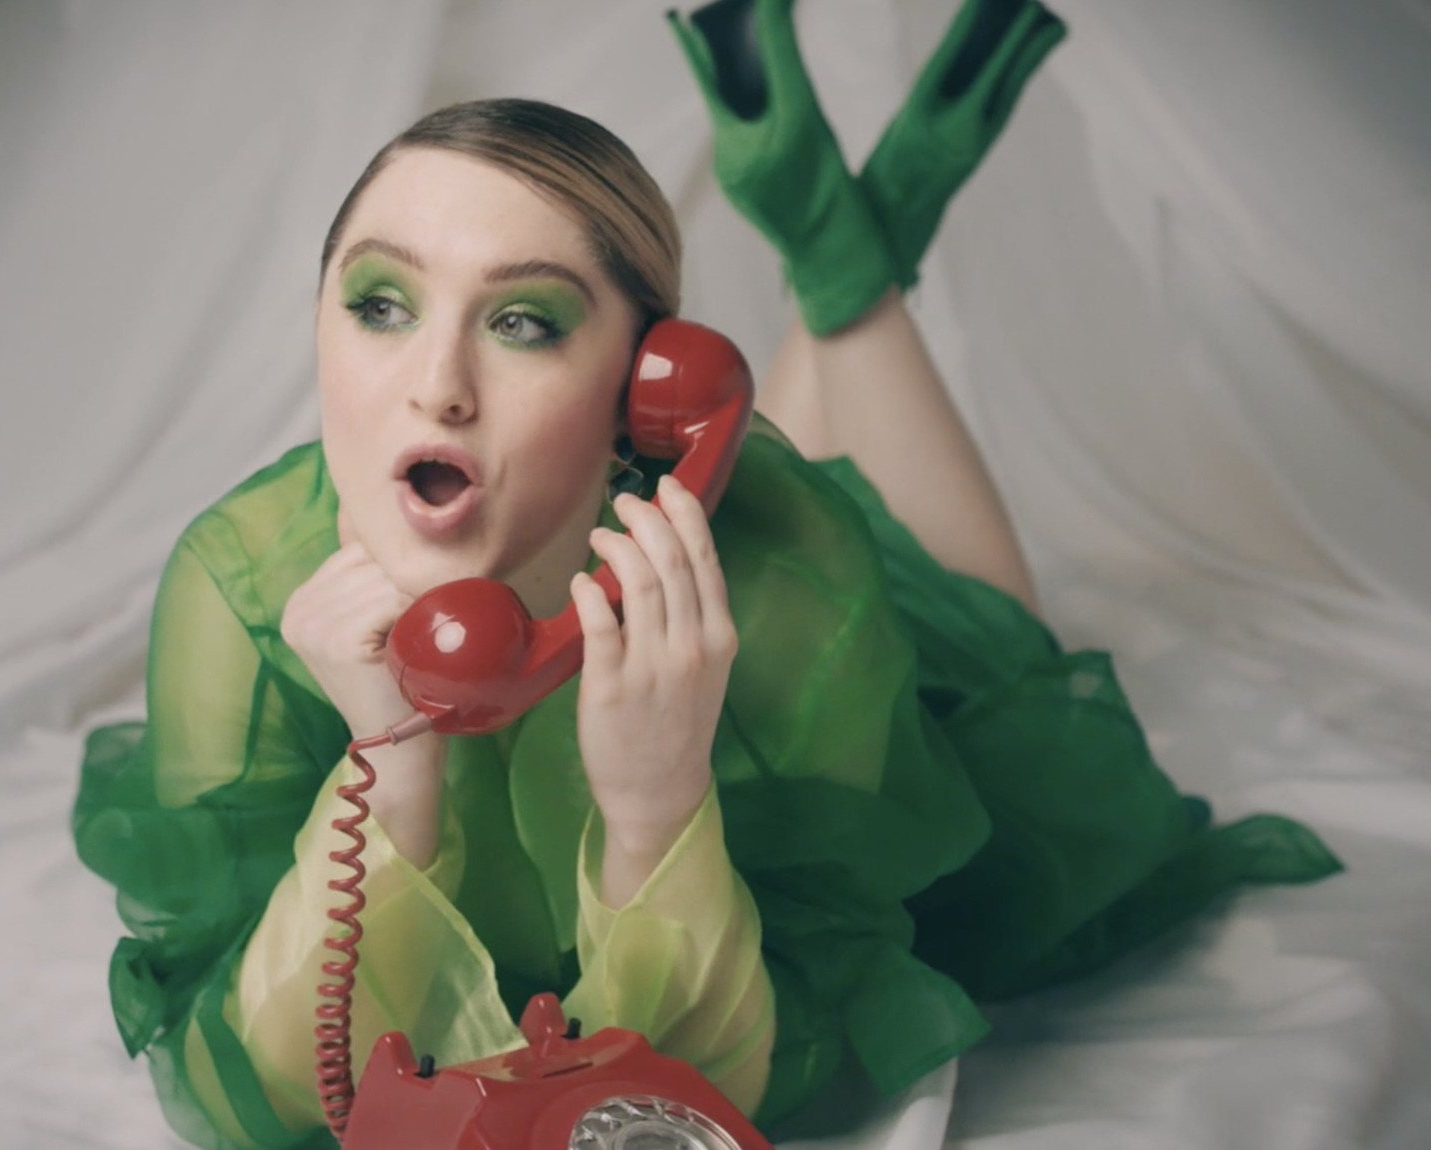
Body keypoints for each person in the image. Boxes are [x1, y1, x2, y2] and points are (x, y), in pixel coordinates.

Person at [72, 4, 1339, 1148]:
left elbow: (764, 1071)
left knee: (996, 643)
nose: (436, 383)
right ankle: (838, 236)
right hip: (572, 548)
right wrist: (387, 770)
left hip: (816, 643)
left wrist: (655, 803)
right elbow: (255, 1087)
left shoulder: (792, 593)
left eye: (524, 321)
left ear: (647, 386)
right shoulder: (240, 589)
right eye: (382, 303)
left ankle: (842, 268)